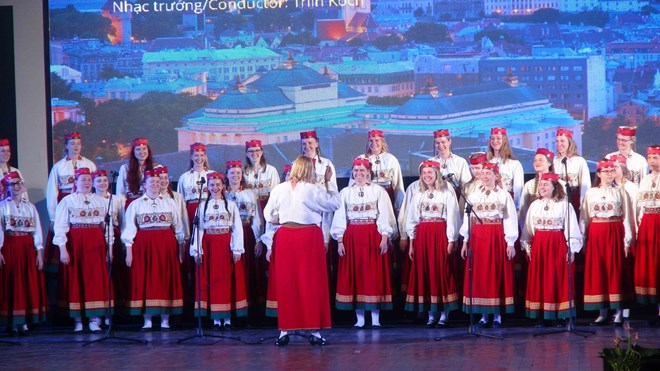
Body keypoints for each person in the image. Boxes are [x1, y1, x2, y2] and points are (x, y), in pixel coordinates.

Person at [263, 156, 340, 346]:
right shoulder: (313, 189)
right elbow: (335, 204)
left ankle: (284, 331)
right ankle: (314, 330)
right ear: (309, 170)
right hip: (308, 237)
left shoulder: (279, 188)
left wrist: (279, 219)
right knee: (310, 283)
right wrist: (330, 182)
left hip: (286, 236)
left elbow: (267, 214)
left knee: (287, 283)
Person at [331, 158, 396, 328]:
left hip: (371, 234)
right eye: (356, 171)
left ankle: (375, 318)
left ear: (368, 173)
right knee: (356, 274)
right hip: (352, 235)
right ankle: (359, 319)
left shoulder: (378, 190)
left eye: (362, 171)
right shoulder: (345, 192)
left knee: (373, 274)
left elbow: (384, 215)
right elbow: (340, 217)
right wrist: (339, 241)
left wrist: (383, 237)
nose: (359, 174)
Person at [122, 169, 186, 331]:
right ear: (144, 185)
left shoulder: (170, 202)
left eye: (158, 182)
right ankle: (147, 320)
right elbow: (129, 228)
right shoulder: (135, 204)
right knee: (146, 279)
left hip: (166, 244)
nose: (156, 185)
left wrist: (180, 251)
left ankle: (165, 319)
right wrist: (129, 252)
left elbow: (178, 228)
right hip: (144, 245)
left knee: (166, 279)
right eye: (152, 182)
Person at [459, 162, 518, 327]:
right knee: (481, 274)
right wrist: (465, 241)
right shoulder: (474, 195)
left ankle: (497, 315)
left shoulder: (504, 195)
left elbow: (510, 218)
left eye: (488, 174)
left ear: (496, 176)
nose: (484, 177)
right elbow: (468, 219)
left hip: (496, 234)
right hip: (478, 236)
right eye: (482, 174)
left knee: (496, 272)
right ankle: (484, 315)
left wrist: (510, 242)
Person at [53, 167, 111, 333]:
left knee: (95, 280)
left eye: (88, 180)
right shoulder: (68, 201)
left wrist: (109, 248)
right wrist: (63, 249)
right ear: (76, 182)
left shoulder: (101, 201)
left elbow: (107, 227)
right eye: (82, 180)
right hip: (76, 243)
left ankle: (95, 319)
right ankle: (78, 320)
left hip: (96, 244)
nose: (86, 183)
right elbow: (60, 226)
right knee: (76, 279)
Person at [521, 173, 583, 326]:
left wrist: (571, 249)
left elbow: (571, 227)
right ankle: (541, 315)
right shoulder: (535, 205)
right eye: (540, 185)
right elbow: (528, 229)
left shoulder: (564, 204)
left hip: (557, 243)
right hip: (540, 244)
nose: (542, 187)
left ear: (554, 187)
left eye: (545, 184)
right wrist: (528, 246)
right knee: (540, 278)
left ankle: (560, 315)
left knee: (557, 278)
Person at [404, 161, 460, 328]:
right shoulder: (418, 195)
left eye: (430, 172)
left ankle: (444, 314)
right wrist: (412, 244)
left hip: (440, 234)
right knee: (426, 272)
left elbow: (452, 218)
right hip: (423, 236)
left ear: (437, 174)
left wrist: (451, 239)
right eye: (424, 173)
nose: (427, 175)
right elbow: (412, 221)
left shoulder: (446, 194)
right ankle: (430, 315)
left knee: (441, 272)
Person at [190, 172, 247, 329]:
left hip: (225, 244)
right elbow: (199, 229)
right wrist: (197, 250)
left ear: (223, 186)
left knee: (226, 280)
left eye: (218, 185)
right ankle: (215, 319)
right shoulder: (202, 206)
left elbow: (237, 229)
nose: (215, 187)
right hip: (209, 245)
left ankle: (227, 318)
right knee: (212, 280)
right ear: (207, 187)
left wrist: (237, 250)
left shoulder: (231, 205)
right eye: (212, 185)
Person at [582, 160, 635, 326]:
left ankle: (618, 312)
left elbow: (627, 216)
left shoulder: (621, 192)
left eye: (612, 171)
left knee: (615, 270)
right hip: (597, 233)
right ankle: (602, 312)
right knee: (599, 270)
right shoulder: (590, 193)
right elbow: (584, 217)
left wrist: (627, 240)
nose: (609, 174)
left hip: (615, 232)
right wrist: (583, 239)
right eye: (605, 171)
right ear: (598, 174)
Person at [0, 172, 47, 335]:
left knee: (27, 282)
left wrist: (39, 251)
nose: (17, 186)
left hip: (27, 247)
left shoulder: (30, 207)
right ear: (7, 188)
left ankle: (25, 322)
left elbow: (37, 231)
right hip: (10, 246)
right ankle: (12, 321)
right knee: (12, 283)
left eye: (19, 183)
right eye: (13, 184)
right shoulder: (2, 206)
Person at [45, 132, 97, 271]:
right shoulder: (58, 166)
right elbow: (52, 192)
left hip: (84, 205)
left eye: (78, 143)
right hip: (65, 203)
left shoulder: (89, 164)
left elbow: (95, 188)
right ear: (66, 146)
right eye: (73, 144)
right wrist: (53, 217)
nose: (76, 146)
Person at [226, 160, 264, 321]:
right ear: (226, 175)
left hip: (247, 233)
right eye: (232, 173)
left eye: (238, 173)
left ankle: (248, 311)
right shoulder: (222, 194)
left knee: (247, 272)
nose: (235, 176)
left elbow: (257, 218)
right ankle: (230, 308)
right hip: (229, 236)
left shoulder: (250, 194)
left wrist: (258, 239)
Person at [92, 170, 126, 320]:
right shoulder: (91, 200)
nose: (103, 183)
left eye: (105, 180)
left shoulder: (117, 199)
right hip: (97, 237)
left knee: (115, 273)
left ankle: (113, 311)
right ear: (93, 183)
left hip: (115, 236)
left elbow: (123, 221)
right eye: (99, 181)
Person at [634, 145, 660, 325]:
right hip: (647, 223)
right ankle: (654, 307)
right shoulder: (644, 180)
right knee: (650, 264)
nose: (651, 161)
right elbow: (639, 205)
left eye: (655, 157)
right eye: (649, 157)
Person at [354, 130, 405, 214]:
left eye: (377, 140)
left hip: (387, 196)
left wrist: (399, 207)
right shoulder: (361, 159)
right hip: (367, 196)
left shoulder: (391, 159)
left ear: (382, 142)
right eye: (371, 140)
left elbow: (398, 185)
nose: (373, 143)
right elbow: (353, 183)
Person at [554, 128, 591, 214]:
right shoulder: (553, 161)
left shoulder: (579, 161)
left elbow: (585, 185)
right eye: (557, 141)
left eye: (562, 141)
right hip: (557, 203)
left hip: (574, 200)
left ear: (569, 142)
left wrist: (583, 206)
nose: (559, 144)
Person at [177, 143, 214, 227]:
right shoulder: (184, 177)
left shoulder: (212, 175)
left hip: (209, 209)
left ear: (205, 157)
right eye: (196, 155)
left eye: (202, 155)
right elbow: (181, 201)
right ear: (191, 157)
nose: (199, 158)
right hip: (191, 211)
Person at [116, 138, 160, 207]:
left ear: (148, 150)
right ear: (133, 152)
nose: (142, 152)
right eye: (138, 149)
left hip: (151, 204)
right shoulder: (125, 168)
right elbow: (120, 192)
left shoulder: (157, 168)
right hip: (131, 204)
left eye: (144, 149)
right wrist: (122, 209)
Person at [487, 127, 524, 209]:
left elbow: (518, 189)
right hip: (489, 205)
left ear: (504, 140)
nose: (495, 141)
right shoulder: (486, 162)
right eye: (492, 138)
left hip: (507, 204)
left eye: (498, 138)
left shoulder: (514, 164)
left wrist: (516, 208)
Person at [243, 140, 280, 211]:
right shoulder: (242, 172)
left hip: (267, 207)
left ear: (261, 152)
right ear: (247, 154)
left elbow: (276, 192)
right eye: (251, 151)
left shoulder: (271, 170)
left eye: (257, 150)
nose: (254, 153)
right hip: (249, 208)